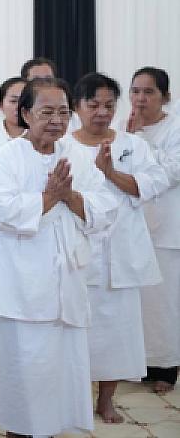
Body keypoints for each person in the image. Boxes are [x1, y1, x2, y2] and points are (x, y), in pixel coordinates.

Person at [0, 78, 116, 438]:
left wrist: (70, 198)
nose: (56, 120)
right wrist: (47, 198)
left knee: (59, 372)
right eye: (47, 112)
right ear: (25, 113)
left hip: (64, 282)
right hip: (18, 287)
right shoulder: (8, 157)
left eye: (63, 112)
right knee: (23, 372)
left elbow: (105, 206)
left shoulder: (76, 156)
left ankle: (52, 430)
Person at [64, 72, 167, 423]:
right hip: (79, 253)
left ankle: (106, 400)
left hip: (121, 253)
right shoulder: (63, 145)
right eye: (93, 105)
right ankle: (74, 399)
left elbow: (151, 184)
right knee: (76, 330)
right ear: (77, 107)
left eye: (109, 105)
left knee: (118, 332)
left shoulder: (132, 145)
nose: (102, 112)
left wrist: (110, 173)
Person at [130, 67, 180, 394]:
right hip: (134, 227)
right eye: (136, 91)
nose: (141, 98)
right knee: (136, 302)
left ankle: (165, 366)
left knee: (163, 302)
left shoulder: (174, 127)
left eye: (149, 92)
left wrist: (137, 143)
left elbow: (173, 170)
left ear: (166, 97)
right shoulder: (128, 128)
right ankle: (137, 362)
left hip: (166, 228)